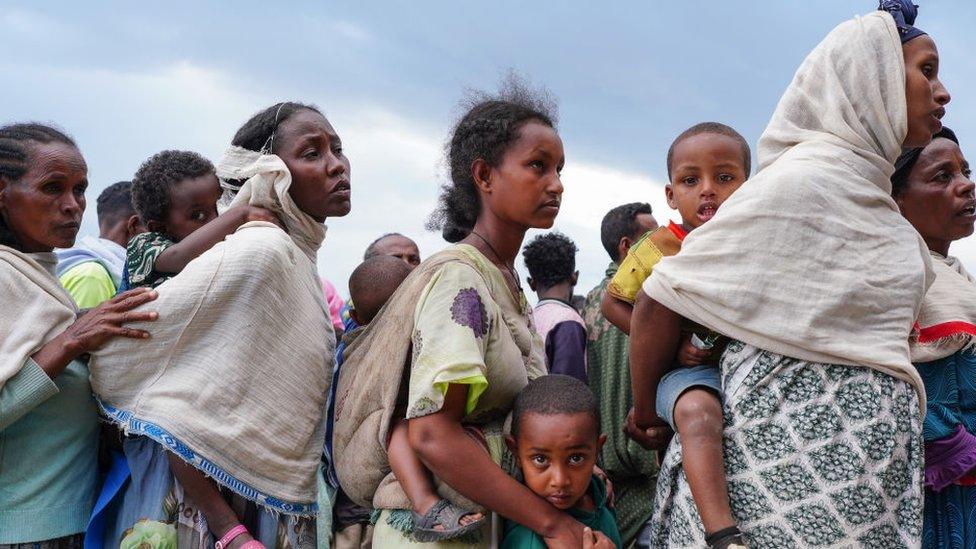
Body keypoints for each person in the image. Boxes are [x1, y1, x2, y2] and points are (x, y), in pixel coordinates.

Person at [632, 4, 950, 547]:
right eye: (925, 70)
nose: (942, 91)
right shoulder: (800, 184)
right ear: (866, 81)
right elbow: (661, 298)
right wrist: (646, 412)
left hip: (865, 492)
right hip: (775, 485)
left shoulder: (874, 200)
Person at [333, 78, 613, 548]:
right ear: (483, 176)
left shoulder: (502, 280)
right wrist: (553, 524)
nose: (557, 184)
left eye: (560, 168)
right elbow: (432, 435)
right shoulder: (459, 280)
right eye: (538, 166)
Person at [89, 102, 349, 548]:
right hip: (210, 499)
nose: (336, 166)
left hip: (254, 486)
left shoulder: (293, 255)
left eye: (337, 149)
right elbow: (177, 388)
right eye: (312, 153)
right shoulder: (260, 248)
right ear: (269, 173)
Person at [0, 123, 156, 546]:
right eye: (53, 188)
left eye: (80, 189)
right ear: (3, 193)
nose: (72, 206)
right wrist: (72, 342)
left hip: (67, 522)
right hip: (23, 531)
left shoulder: (38, 274)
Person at [602, 122, 750, 548]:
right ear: (671, 195)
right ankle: (723, 534)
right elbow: (615, 305)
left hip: (741, 368)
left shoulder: (752, 246)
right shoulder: (659, 246)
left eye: (724, 178)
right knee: (698, 415)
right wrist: (668, 343)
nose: (708, 190)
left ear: (748, 186)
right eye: (691, 180)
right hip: (684, 376)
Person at [891, 127, 976, 548]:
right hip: (931, 490)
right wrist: (947, 438)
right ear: (895, 200)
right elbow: (878, 373)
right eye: (942, 177)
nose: (967, 185)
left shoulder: (956, 278)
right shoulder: (892, 276)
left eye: (965, 170)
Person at [581, 202, 659, 545]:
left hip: (607, 464)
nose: (664, 243)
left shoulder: (590, 302)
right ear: (627, 247)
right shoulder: (651, 297)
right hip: (648, 460)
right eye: (653, 237)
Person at [328, 255, 414, 548]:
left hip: (350, 495)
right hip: (395, 497)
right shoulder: (408, 355)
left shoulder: (346, 357)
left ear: (358, 319)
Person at [126, 149, 279, 290]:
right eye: (198, 215)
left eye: (220, 205)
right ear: (160, 228)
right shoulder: (143, 245)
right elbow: (177, 256)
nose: (218, 219)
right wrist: (241, 214)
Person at [501, 375, 619, 549]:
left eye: (575, 458)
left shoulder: (598, 493)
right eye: (540, 459)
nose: (560, 480)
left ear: (597, 450)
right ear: (516, 453)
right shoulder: (528, 541)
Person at [55, 181, 142, 308]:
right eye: (156, 228)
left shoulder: (85, 264)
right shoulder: (92, 276)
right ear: (134, 225)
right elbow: (83, 328)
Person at [523, 232, 588, 382]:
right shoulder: (568, 322)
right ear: (574, 277)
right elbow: (568, 388)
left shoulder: (528, 318)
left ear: (531, 283)